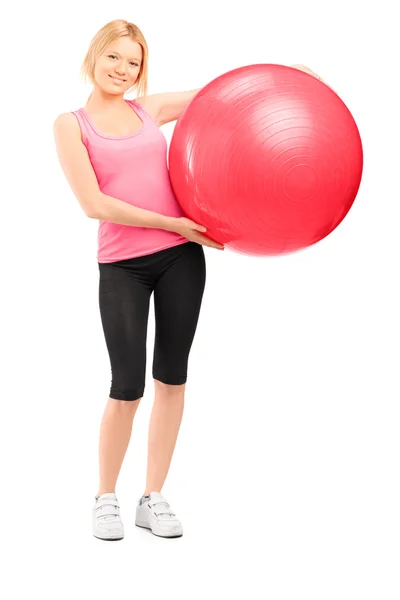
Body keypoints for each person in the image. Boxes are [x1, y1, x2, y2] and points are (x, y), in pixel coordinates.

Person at [53, 18, 328, 541]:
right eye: (114, 57)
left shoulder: (148, 110)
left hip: (182, 259)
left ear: (140, 70)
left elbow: (221, 94)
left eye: (132, 62)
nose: (122, 69)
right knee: (126, 387)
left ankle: (153, 497)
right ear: (95, 57)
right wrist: (173, 223)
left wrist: (288, 76)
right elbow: (94, 204)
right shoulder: (71, 124)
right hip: (123, 266)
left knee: (172, 379)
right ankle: (105, 497)